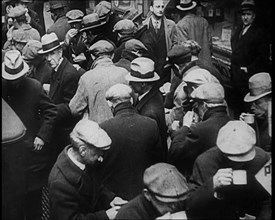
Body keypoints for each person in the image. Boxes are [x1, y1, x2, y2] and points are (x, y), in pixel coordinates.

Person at [2, 49, 57, 220]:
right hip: (7, 157)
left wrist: (42, 135)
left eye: (17, 78)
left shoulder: (34, 86)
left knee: (33, 202)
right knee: (11, 204)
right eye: (11, 79)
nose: (15, 83)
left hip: (31, 155)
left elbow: (51, 112)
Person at [186, 120, 271, 220]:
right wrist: (211, 185)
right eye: (234, 158)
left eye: (244, 157)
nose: (239, 163)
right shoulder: (204, 162)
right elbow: (190, 207)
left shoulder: (263, 159)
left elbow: (269, 200)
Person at [96, 83, 165, 201]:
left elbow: (98, 169)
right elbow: (160, 161)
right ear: (132, 101)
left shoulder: (103, 129)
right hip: (144, 194)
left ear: (110, 105)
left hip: (114, 198)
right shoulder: (151, 125)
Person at [48, 118, 127, 220]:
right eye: (97, 153)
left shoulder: (85, 160)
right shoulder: (59, 183)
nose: (101, 158)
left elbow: (96, 186)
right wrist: (106, 216)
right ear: (82, 150)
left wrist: (111, 199)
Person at [168, 82, 231, 179]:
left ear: (205, 106)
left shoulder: (199, 130)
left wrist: (185, 127)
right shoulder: (232, 123)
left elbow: (174, 154)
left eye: (198, 104)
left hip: (204, 181)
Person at [38, 32, 81, 159]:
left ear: (60, 52)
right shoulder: (56, 69)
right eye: (46, 55)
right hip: (57, 127)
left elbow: (71, 107)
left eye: (52, 54)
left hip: (64, 131)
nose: (48, 58)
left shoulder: (68, 74)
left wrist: (48, 111)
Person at [69, 40, 128, 124]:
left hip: (99, 131)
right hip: (122, 127)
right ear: (112, 56)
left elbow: (74, 109)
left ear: (93, 57)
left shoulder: (86, 78)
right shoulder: (124, 73)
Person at [229, 0, 270, 119]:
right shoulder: (239, 30)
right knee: (237, 106)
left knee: (248, 107)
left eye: (248, 14)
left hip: (248, 78)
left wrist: (248, 69)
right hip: (236, 76)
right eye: (243, 15)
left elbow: (263, 57)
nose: (245, 17)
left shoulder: (259, 33)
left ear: (254, 16)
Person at [125, 57, 168, 158]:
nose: (130, 84)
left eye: (133, 81)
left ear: (143, 84)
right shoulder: (154, 95)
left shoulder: (149, 113)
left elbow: (146, 146)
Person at [115, 162, 190, 219]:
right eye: (167, 202)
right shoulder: (128, 215)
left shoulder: (182, 204)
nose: (174, 207)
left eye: (177, 202)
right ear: (148, 195)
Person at [139, 0, 178, 85]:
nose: (160, 9)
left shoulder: (171, 25)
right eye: (157, 7)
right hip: (148, 67)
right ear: (151, 8)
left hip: (165, 67)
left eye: (162, 7)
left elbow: (175, 43)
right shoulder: (143, 25)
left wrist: (170, 57)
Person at [241, 72, 272, 152]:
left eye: (258, 103)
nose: (252, 107)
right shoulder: (258, 120)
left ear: (270, 99)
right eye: (251, 103)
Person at [176, 0, 212, 66]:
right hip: (206, 63)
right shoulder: (204, 21)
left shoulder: (180, 25)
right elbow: (210, 44)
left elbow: (184, 49)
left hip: (192, 65)